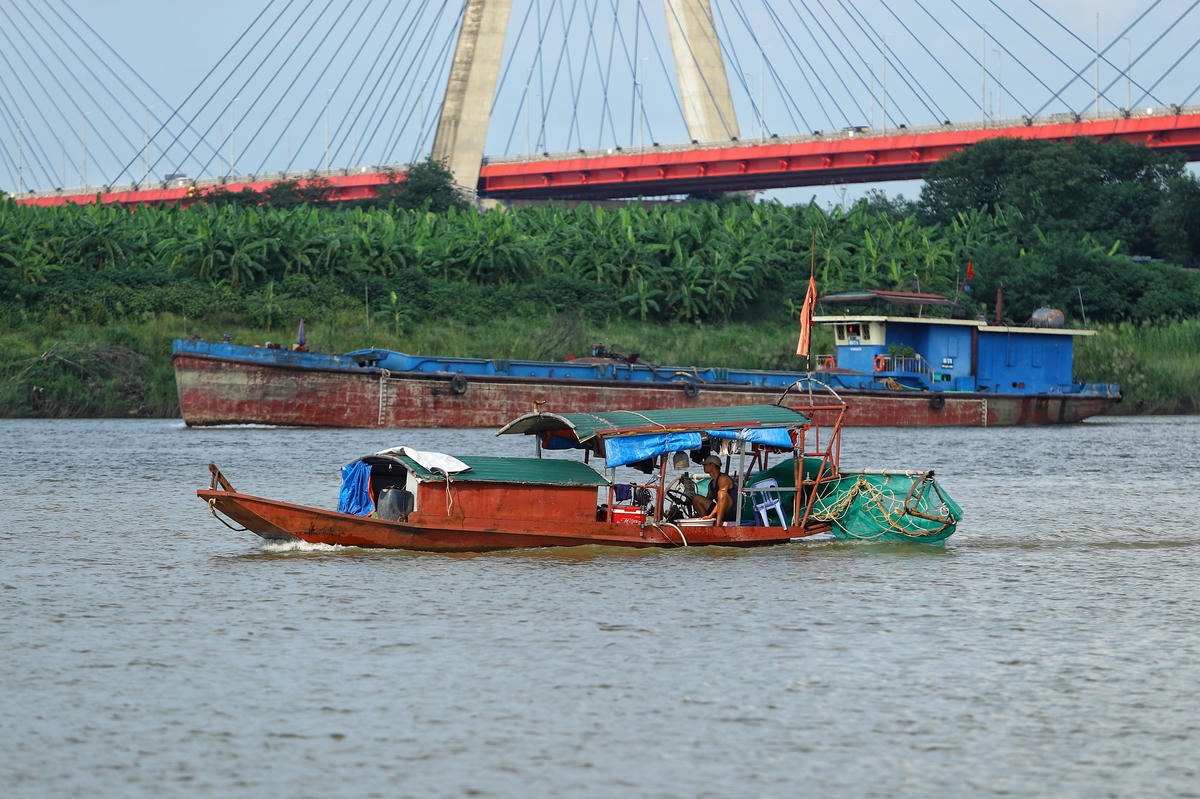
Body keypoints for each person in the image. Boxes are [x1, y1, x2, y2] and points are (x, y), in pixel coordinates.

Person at [690, 454, 736, 523]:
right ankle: (705, 522)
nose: (703, 466)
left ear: (712, 465)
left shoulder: (723, 479)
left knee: (721, 493)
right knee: (696, 498)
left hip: (730, 512)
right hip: (719, 510)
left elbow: (722, 499)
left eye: (705, 465)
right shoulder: (711, 484)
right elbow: (708, 500)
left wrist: (711, 515)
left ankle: (718, 524)